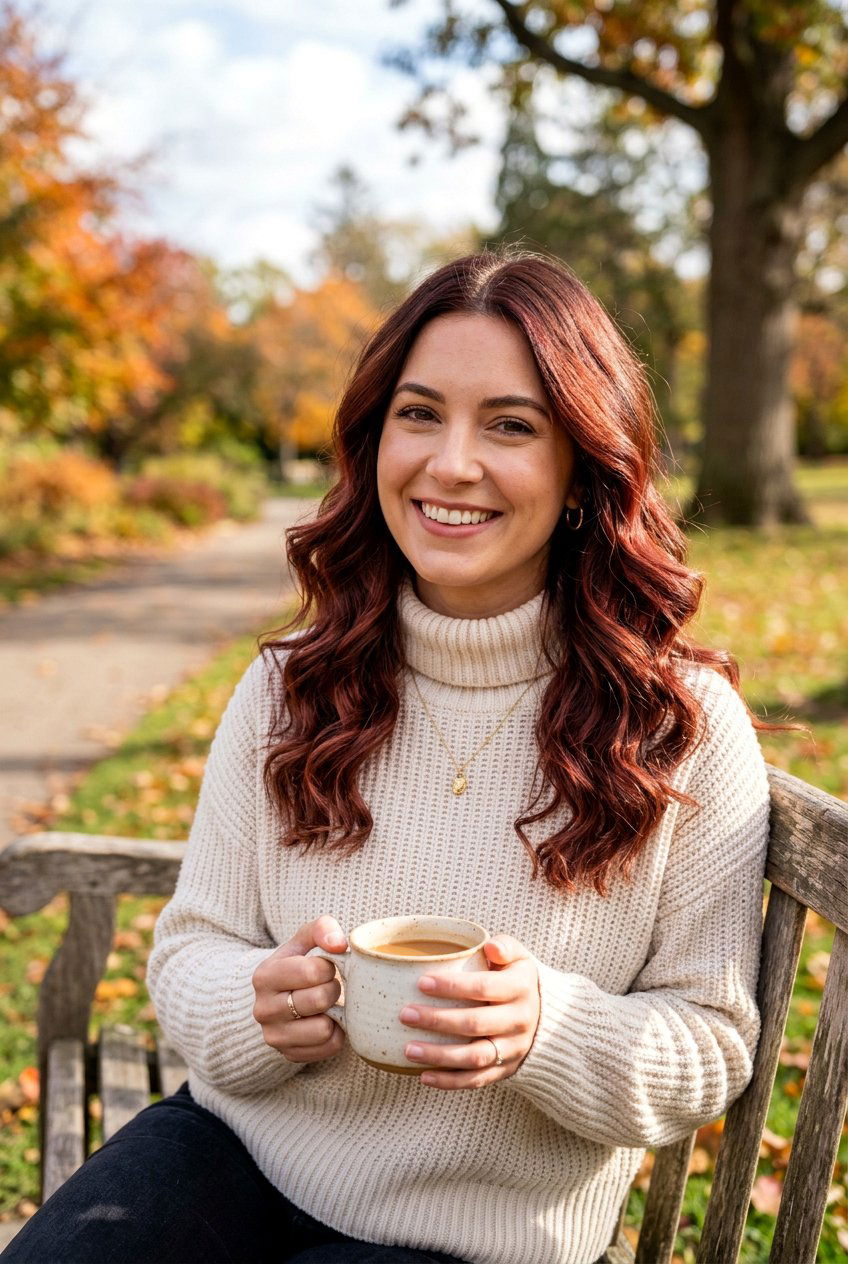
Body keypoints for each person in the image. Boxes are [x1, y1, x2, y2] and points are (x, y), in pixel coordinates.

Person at [3, 248, 774, 1264]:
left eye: (509, 424)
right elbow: (190, 949)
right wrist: (257, 1002)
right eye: (418, 414)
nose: (449, 463)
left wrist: (545, 1026)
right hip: (235, 1152)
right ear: (374, 442)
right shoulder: (290, 685)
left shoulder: (680, 724)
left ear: (584, 467)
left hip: (475, 1235)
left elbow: (707, 1044)